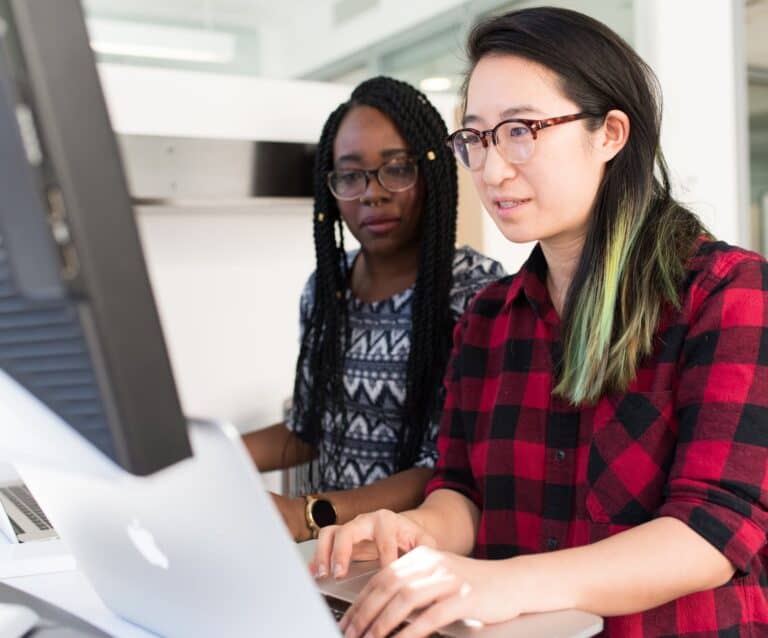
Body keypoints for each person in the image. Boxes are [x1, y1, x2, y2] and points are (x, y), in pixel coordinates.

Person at [310, 8, 768, 638]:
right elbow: (463, 492)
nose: (493, 171)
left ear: (609, 133)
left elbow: (714, 529)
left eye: (521, 130)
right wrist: (416, 530)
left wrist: (502, 581)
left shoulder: (728, 293)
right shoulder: (489, 316)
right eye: (476, 139)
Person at [243, 77, 505, 543]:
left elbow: (446, 468)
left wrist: (308, 515)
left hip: (422, 556)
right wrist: (203, 458)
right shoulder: (327, 289)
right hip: (334, 555)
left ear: (431, 173)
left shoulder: (475, 293)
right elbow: (307, 428)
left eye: (396, 169)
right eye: (350, 175)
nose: (372, 193)